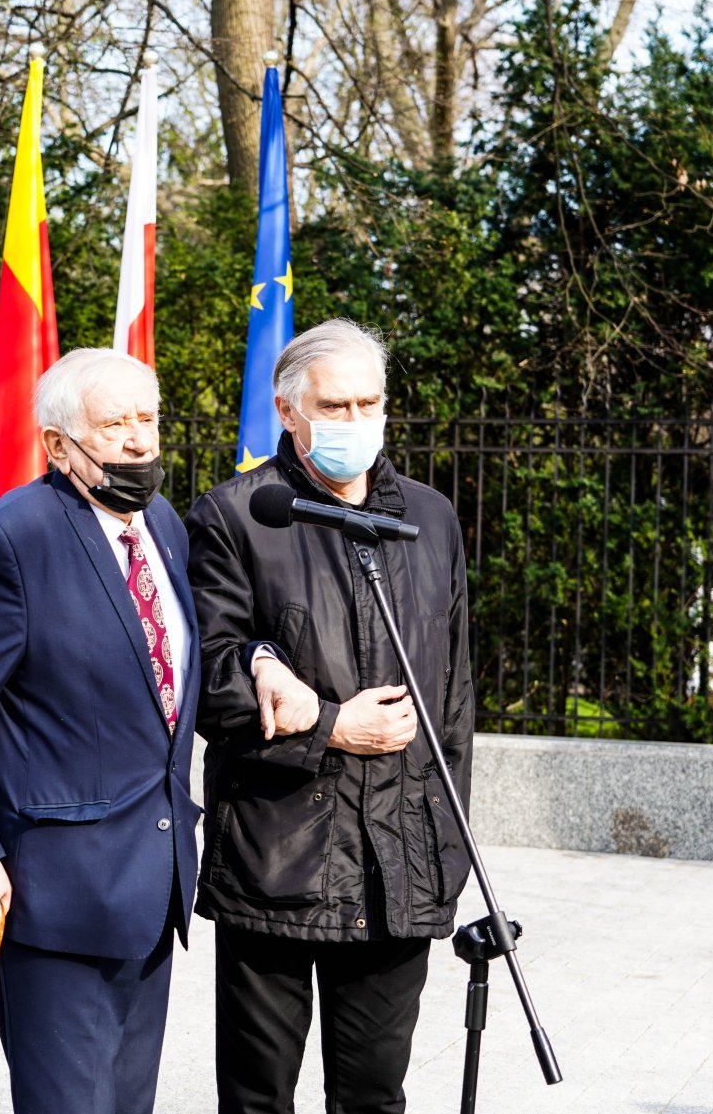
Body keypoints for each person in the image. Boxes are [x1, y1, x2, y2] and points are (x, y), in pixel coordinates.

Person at [0, 347, 201, 1114]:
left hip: (152, 884)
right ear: (58, 445)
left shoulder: (163, 524)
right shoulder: (11, 539)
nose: (138, 439)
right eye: (114, 423)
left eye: (147, 418)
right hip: (55, 896)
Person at [186, 318, 475, 1114]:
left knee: (375, 1097)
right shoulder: (237, 515)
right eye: (335, 406)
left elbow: (453, 704)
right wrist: (330, 725)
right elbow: (209, 676)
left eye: (368, 403)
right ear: (288, 410)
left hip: (397, 868)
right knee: (257, 1099)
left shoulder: (431, 518)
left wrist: (444, 852)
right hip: (276, 858)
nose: (356, 421)